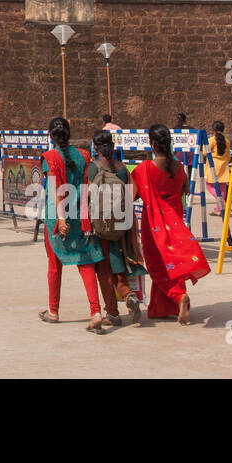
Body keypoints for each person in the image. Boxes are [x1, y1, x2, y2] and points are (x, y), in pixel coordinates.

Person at [132, 124, 209, 323]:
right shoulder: (180, 169)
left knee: (156, 264)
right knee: (173, 262)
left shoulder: (145, 169)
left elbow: (131, 196)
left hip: (154, 223)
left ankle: (178, 296)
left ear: (152, 144)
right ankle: (164, 307)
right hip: (176, 221)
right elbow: (185, 191)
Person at [37, 116, 105, 332]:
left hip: (57, 219)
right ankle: (95, 311)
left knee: (54, 265)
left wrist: (61, 218)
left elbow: (56, 189)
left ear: (51, 136)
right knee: (86, 263)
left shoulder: (50, 157)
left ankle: (53, 311)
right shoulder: (84, 156)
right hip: (80, 217)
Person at [88, 130, 145, 325]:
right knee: (119, 263)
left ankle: (112, 312)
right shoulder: (122, 168)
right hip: (122, 226)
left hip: (101, 226)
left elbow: (88, 195)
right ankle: (129, 295)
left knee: (103, 268)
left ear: (95, 147)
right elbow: (134, 194)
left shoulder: (94, 167)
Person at [208, 120, 232, 216]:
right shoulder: (227, 141)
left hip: (213, 166)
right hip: (224, 166)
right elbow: (228, 156)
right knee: (222, 190)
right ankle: (219, 209)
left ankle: (224, 205)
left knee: (209, 186)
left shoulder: (211, 140)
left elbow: (205, 152)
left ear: (213, 129)